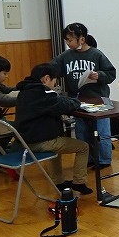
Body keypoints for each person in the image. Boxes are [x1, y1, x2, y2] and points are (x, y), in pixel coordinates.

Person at [15, 63, 91, 195]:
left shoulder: (25, 90)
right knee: (83, 147)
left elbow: (55, 103)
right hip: (39, 142)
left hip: (26, 139)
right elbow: (61, 105)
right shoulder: (42, 93)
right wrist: (77, 102)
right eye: (54, 81)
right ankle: (79, 182)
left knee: (56, 141)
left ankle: (59, 182)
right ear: (46, 78)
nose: (55, 85)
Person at [51, 22, 117, 168]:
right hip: (78, 99)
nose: (68, 43)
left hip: (99, 98)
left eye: (70, 40)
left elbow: (111, 74)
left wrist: (99, 75)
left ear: (82, 39)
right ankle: (88, 158)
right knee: (82, 131)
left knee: (102, 131)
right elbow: (52, 68)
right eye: (66, 40)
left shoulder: (96, 54)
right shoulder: (66, 56)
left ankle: (104, 159)